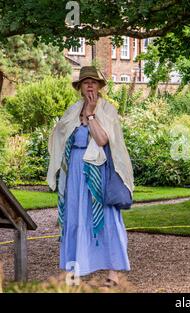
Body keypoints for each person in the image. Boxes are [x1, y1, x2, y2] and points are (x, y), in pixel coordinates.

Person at [47, 66, 134, 286]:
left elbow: (103, 140)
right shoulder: (72, 110)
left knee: (107, 219)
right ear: (80, 87)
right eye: (85, 82)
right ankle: (75, 270)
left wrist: (92, 114)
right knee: (75, 216)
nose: (89, 86)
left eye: (93, 82)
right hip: (75, 171)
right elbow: (60, 135)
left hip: (98, 170)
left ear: (99, 86)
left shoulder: (108, 110)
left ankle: (113, 273)